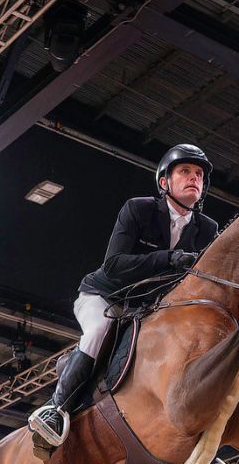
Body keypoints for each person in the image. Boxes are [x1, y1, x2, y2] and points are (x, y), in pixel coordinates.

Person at [28, 144, 220, 447]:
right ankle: (56, 408)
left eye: (198, 174)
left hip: (148, 307)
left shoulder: (207, 228)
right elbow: (114, 265)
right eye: (185, 171)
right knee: (100, 331)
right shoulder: (138, 209)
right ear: (164, 182)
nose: (194, 178)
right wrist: (170, 258)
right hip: (104, 296)